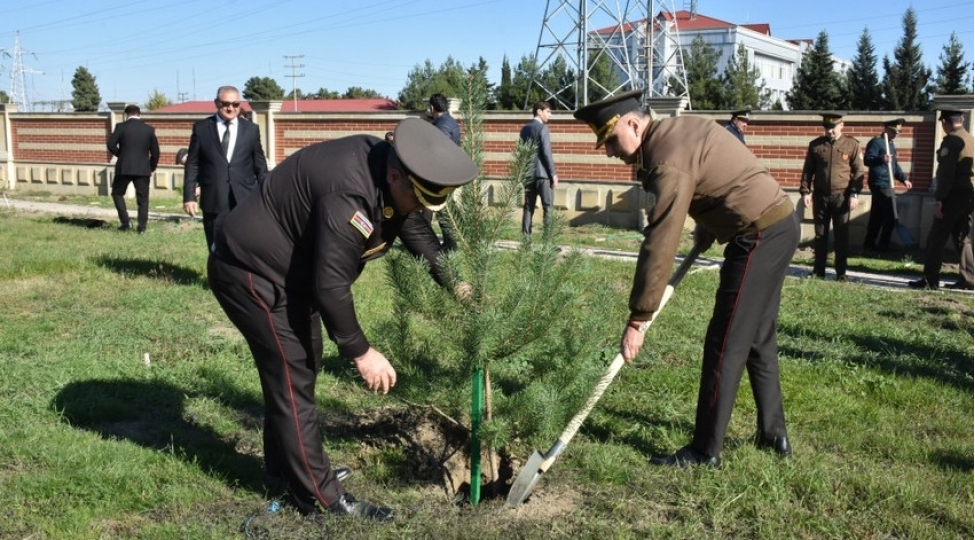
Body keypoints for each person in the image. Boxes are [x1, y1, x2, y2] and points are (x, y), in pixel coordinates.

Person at [207, 117, 477, 520]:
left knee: (303, 365)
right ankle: (322, 497)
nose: (422, 208)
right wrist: (361, 352)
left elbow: (415, 227)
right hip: (251, 272)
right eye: (419, 198)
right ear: (396, 177)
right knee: (293, 372)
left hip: (289, 277)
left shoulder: (391, 169)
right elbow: (331, 285)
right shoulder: (349, 193)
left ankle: (286, 470)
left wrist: (458, 284)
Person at [573, 89, 798, 468]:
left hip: (758, 235)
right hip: (778, 223)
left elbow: (661, 240)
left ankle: (705, 451)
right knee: (758, 337)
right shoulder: (676, 131)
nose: (609, 152)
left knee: (725, 343)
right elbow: (718, 173)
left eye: (610, 140)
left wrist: (639, 317)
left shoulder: (664, 159)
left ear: (633, 124)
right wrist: (710, 223)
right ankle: (774, 435)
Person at [183, 85, 268, 249]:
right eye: (225, 104)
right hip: (214, 198)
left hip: (245, 199)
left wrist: (266, 196)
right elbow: (192, 164)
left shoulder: (251, 130)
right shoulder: (202, 128)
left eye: (235, 104)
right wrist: (189, 196)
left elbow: (260, 166)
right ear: (216, 103)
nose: (230, 108)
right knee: (216, 247)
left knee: (244, 247)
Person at [910, 107, 974, 291]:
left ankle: (930, 279)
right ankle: (970, 279)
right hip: (969, 194)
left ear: (944, 122)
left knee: (936, 237)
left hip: (952, 194)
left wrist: (940, 200)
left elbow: (946, 174)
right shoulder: (971, 139)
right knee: (963, 238)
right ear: (962, 120)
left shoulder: (952, 141)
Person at [799, 112, 865, 282]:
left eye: (833, 127)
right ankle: (818, 271)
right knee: (820, 235)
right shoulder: (816, 145)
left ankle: (841, 273)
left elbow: (859, 170)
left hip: (841, 197)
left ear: (842, 125)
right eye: (827, 127)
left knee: (841, 236)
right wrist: (805, 192)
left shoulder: (851, 144)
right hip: (821, 196)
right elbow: (808, 170)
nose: (830, 131)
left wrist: (854, 193)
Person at [107, 104, 160, 233]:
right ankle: (141, 228)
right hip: (143, 169)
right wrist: (151, 167)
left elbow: (111, 145)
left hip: (124, 168)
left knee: (117, 193)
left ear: (126, 115)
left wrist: (121, 155)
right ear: (139, 114)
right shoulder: (149, 129)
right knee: (143, 199)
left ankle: (126, 222)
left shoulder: (121, 127)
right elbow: (156, 152)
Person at [863, 119, 913, 253]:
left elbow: (894, 165)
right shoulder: (876, 142)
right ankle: (883, 246)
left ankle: (869, 245)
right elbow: (867, 160)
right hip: (879, 183)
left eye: (898, 132)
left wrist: (904, 179)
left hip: (888, 183)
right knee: (891, 217)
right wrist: (882, 159)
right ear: (886, 129)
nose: (896, 134)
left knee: (877, 216)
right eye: (893, 131)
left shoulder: (890, 144)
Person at [426, 93, 462, 251]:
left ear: (432, 107)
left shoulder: (441, 125)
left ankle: (448, 244)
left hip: (441, 174)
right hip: (449, 172)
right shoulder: (450, 121)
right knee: (444, 208)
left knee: (437, 208)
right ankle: (450, 243)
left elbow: (440, 151)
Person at [520, 100, 559, 236]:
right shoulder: (543, 129)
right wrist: (553, 174)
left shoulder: (524, 129)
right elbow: (547, 153)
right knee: (548, 207)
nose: (550, 115)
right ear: (539, 111)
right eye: (548, 111)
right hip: (543, 176)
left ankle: (526, 239)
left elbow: (522, 152)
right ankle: (547, 240)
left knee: (528, 207)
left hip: (528, 174)